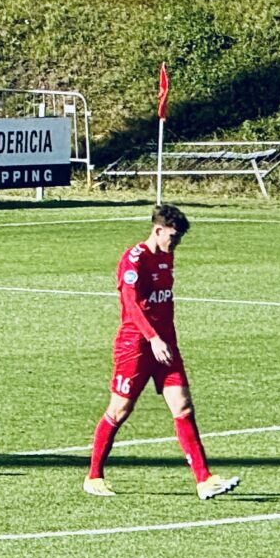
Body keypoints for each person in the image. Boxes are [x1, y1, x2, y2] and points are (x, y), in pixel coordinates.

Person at [85, 205, 239, 501]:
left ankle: (204, 480)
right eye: (173, 236)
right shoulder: (134, 260)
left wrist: (164, 339)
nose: (176, 243)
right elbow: (131, 306)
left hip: (166, 345)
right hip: (136, 346)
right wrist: (153, 338)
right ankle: (94, 476)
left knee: (183, 407)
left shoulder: (167, 256)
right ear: (158, 230)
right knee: (119, 410)